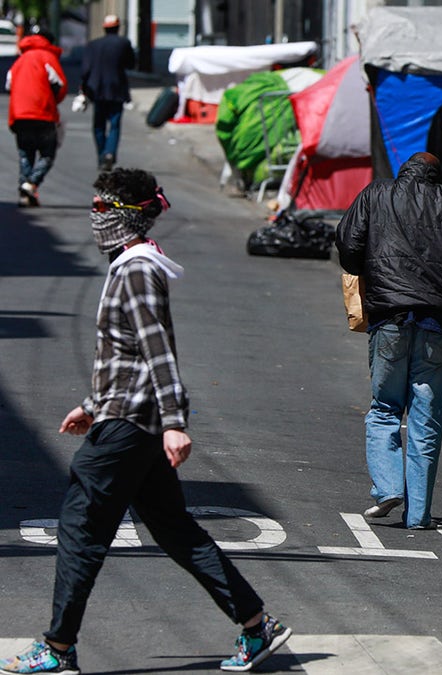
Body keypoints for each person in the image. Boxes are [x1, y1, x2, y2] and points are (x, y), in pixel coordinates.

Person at [1, 169, 291, 675]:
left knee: (79, 527)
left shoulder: (137, 270)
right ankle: (255, 623)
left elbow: (158, 351)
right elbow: (125, 354)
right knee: (174, 529)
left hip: (130, 426)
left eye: (100, 208)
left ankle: (58, 648)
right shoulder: (135, 265)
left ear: (124, 216)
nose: (94, 218)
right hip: (130, 418)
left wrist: (175, 422)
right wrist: (92, 405)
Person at [336, 152, 442, 529]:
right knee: (426, 419)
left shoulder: (376, 194)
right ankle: (419, 514)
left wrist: (376, 267)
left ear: (404, 171)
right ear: (437, 176)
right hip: (435, 323)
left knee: (385, 407)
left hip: (388, 318)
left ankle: (388, 487)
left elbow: (349, 249)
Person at [5, 25, 66, 207]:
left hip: (20, 115)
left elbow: (9, 85)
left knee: (25, 153)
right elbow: (60, 85)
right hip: (43, 114)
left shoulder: (20, 60)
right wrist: (51, 100)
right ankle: (31, 183)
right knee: (47, 153)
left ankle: (25, 192)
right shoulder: (48, 58)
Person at [81, 14, 136, 171]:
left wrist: (84, 88)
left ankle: (102, 155)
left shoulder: (93, 45)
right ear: (118, 28)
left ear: (104, 28)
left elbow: (85, 70)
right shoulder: (124, 43)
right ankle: (109, 153)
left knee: (98, 125)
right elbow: (131, 64)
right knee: (115, 124)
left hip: (97, 90)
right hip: (117, 88)